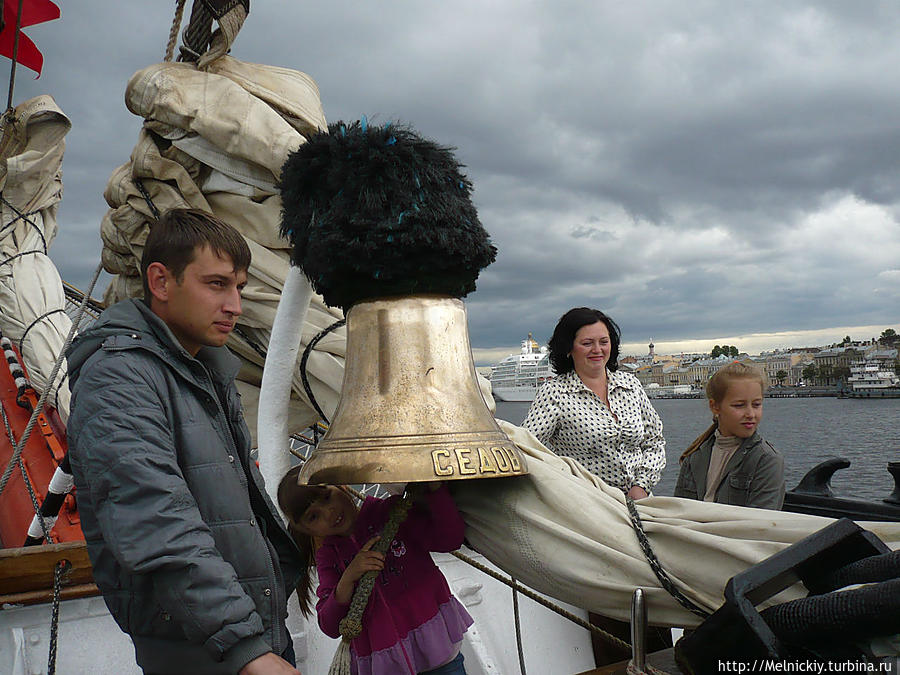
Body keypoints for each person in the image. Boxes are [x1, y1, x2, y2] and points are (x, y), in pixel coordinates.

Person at [66, 209, 302, 675]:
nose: (235, 304)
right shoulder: (119, 378)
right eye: (216, 284)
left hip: (243, 634)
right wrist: (245, 649)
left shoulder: (203, 370)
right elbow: (155, 521)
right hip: (208, 650)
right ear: (160, 281)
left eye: (239, 287)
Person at [277, 466, 473, 675]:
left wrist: (436, 489)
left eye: (327, 497)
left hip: (440, 656)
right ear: (306, 530)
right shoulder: (328, 557)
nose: (329, 512)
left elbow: (449, 539)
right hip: (388, 668)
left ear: (341, 485)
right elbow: (330, 625)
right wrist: (348, 578)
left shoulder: (392, 514)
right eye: (313, 517)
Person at [522, 307, 666, 499]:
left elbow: (654, 441)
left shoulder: (630, 384)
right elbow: (526, 447)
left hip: (640, 501)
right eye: (587, 343)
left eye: (604, 342)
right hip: (588, 505)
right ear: (568, 348)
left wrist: (641, 486)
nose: (597, 350)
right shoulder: (555, 393)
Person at [674, 361, 785, 509]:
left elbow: (760, 525)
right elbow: (679, 511)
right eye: (739, 405)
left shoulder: (766, 460)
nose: (751, 414)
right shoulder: (695, 455)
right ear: (715, 406)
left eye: (757, 404)